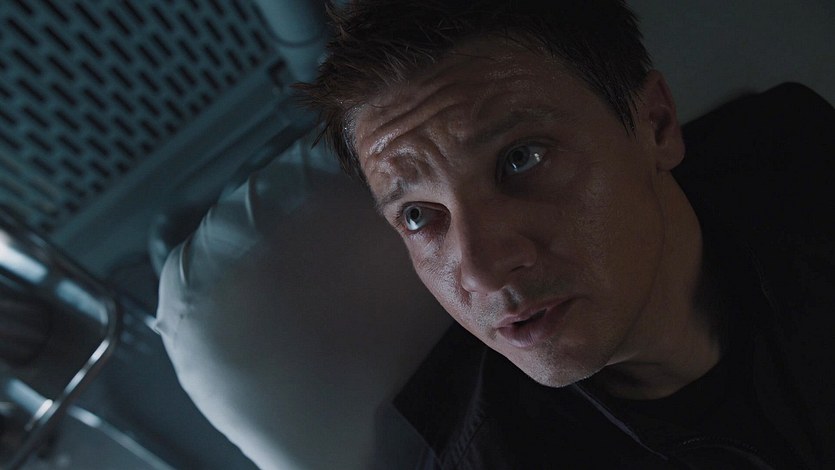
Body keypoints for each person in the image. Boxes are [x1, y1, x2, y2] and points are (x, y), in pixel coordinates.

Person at [299, 0, 835, 468]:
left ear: (655, 125)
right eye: (418, 215)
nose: (482, 271)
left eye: (520, 158)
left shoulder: (797, 154)